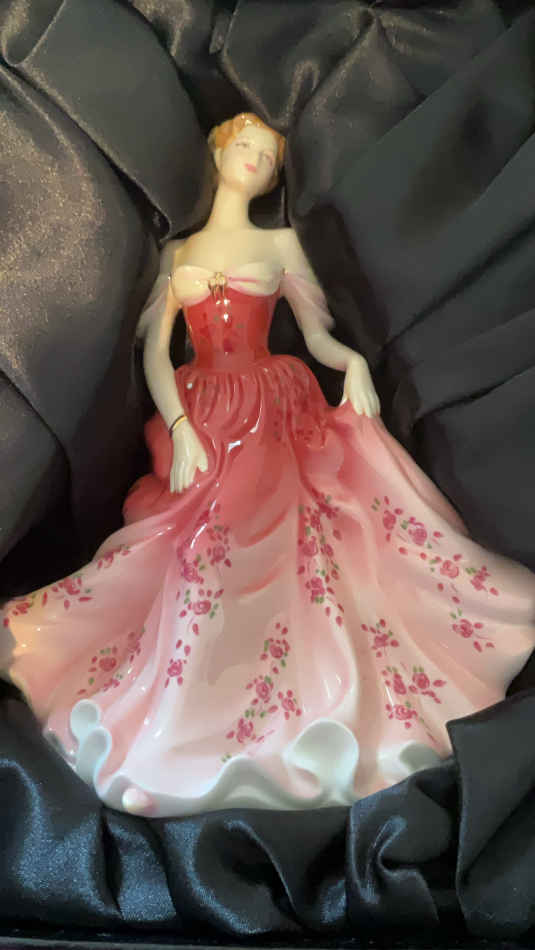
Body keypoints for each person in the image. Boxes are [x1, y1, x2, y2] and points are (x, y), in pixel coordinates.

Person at [2, 113, 534, 818]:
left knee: (296, 538)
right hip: (204, 410)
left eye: (268, 155)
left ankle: (301, 683)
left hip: (276, 403)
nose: (254, 159)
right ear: (220, 152)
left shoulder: (281, 243)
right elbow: (157, 354)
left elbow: (317, 333)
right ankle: (195, 693)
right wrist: (182, 428)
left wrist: (354, 367)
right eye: (245, 146)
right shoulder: (179, 254)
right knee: (195, 547)